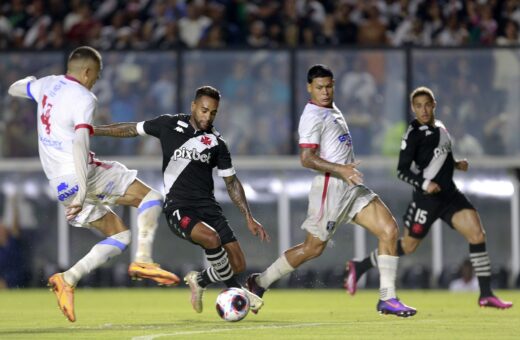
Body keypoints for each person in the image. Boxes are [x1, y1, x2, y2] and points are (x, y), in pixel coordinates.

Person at [7, 46, 180, 322]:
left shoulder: (47, 84)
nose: (96, 81)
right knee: (152, 197)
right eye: (96, 76)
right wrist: (84, 191)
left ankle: (68, 278)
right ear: (87, 72)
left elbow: (15, 89)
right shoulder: (84, 97)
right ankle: (144, 260)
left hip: (60, 185)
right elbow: (79, 144)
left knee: (120, 235)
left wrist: (31, 84)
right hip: (82, 176)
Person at [246, 64, 416, 317]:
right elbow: (306, 158)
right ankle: (259, 283)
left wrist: (345, 172)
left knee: (389, 230)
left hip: (349, 185)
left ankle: (387, 299)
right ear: (309, 88)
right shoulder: (312, 116)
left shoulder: (330, 108)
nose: (324, 91)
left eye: (328, 86)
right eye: (319, 87)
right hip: (330, 188)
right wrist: (341, 169)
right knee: (313, 248)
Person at [93, 85, 270, 314]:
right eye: (204, 110)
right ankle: (237, 291)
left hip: (209, 208)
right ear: (193, 106)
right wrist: (94, 130)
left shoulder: (217, 142)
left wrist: (249, 216)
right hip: (179, 207)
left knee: (238, 263)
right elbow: (130, 129)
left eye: (213, 113)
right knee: (211, 238)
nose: (208, 117)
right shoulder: (169, 124)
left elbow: (232, 182)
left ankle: (200, 280)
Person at [344, 86, 513, 309]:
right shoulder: (412, 135)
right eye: (418, 106)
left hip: (450, 196)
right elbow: (402, 170)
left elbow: (441, 157)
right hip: (426, 201)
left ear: (434, 105)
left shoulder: (442, 128)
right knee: (407, 246)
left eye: (427, 105)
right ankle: (361, 265)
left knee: (477, 233)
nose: (423, 110)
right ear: (413, 109)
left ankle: (485, 294)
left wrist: (455, 164)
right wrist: (425, 183)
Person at [0, 194, 25, 289]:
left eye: (2, 229)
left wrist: (14, 205)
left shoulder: (12, 242)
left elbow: (16, 225)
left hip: (15, 277)